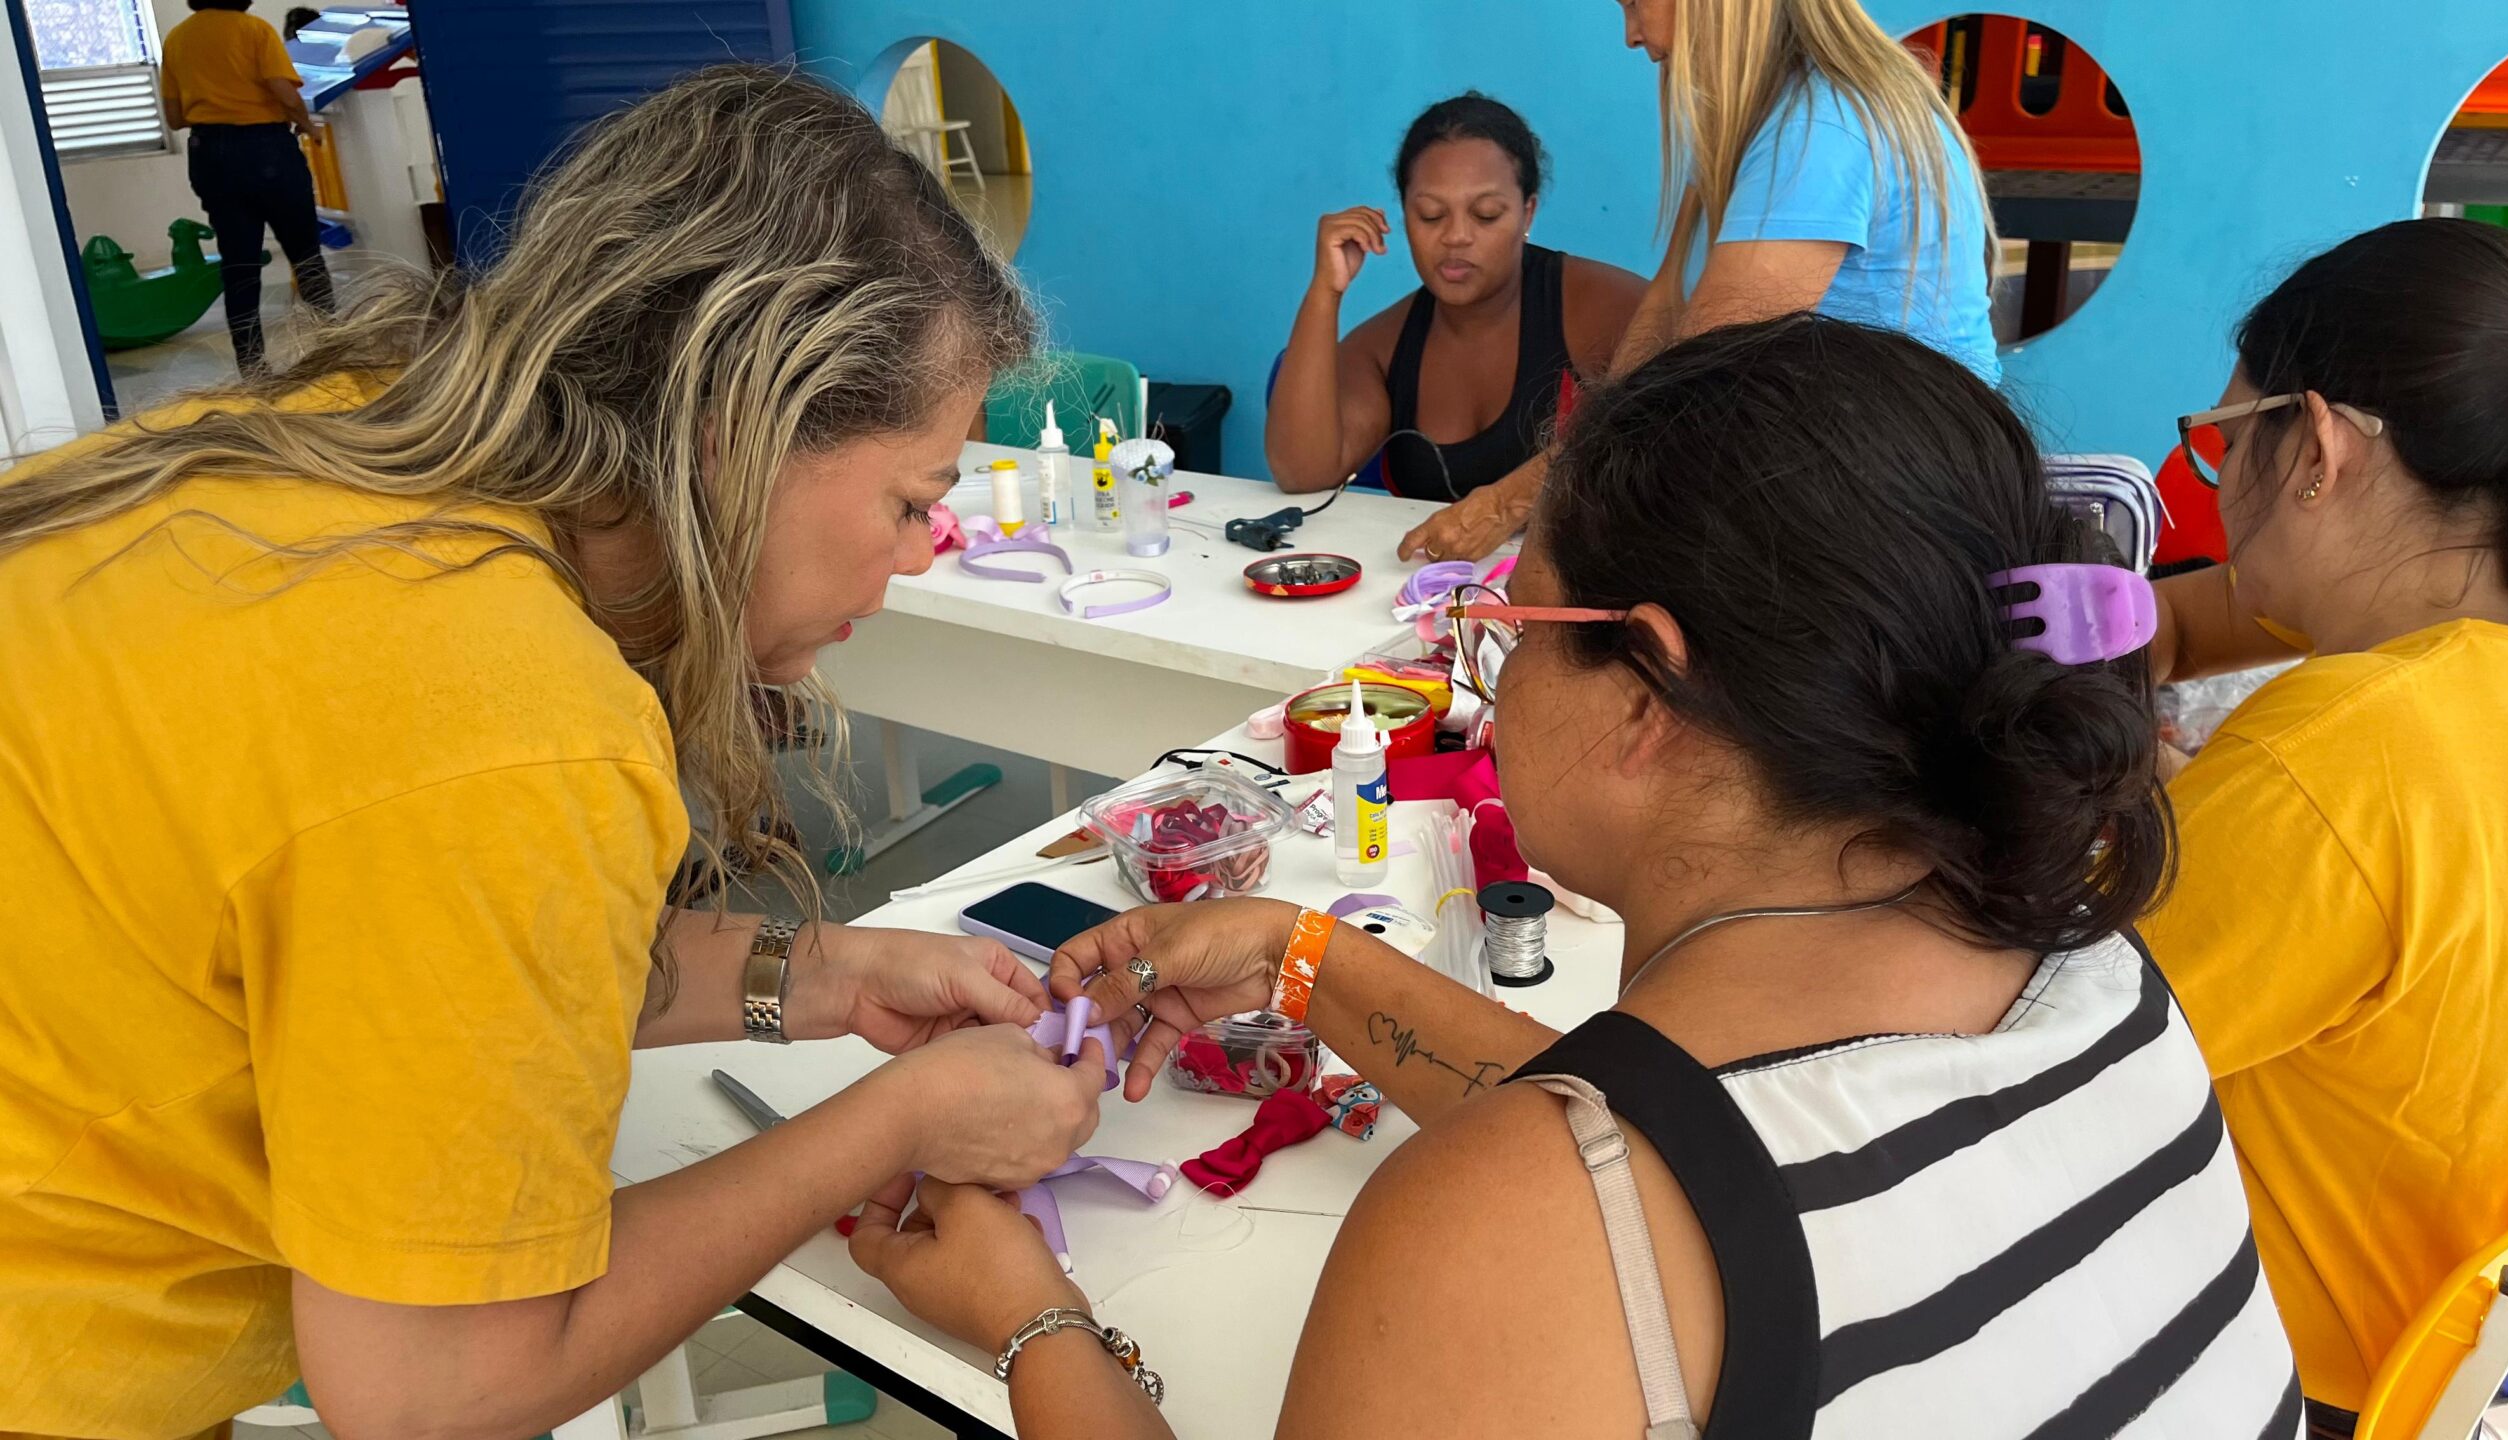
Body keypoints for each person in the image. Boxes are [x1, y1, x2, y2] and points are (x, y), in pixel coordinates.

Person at [850, 317, 2307, 1439]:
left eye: (1518, 625)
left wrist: (1035, 1323)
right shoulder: (2098, 979)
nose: (1490, 672)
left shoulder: (1508, 1226)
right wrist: (1304, 956)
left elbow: (1597, 1191)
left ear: (1646, 691)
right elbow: (1668, 1151)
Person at [0, 68, 1111, 1440]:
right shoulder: (509, 720)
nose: (917, 553)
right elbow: (434, 1393)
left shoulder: (360, 438)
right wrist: (898, 1123)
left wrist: (818, 975)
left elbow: (415, 964)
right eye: (908, 500)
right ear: (738, 435)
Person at [2139, 217, 2508, 1438]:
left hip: (2286, 1387)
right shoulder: (2506, 686)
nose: (2214, 490)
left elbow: (2036, 1054)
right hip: (2481, 1378)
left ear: (2315, 443)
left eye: (2221, 445)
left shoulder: (2350, 748)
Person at [1399, 0, 1997, 564]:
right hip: (1837, 491)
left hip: (1900, 516)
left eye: (1634, 3)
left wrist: (1515, 501)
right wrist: (1548, 488)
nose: (1631, 35)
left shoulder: (1819, 127)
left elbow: (1705, 375)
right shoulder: (1754, 125)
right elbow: (1665, 311)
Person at [1267, 92, 1645, 501]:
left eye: (1485, 214)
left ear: (1528, 213)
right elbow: (1302, 472)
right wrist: (1326, 291)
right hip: (1429, 566)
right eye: (1430, 214)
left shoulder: (1601, 308)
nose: (1455, 236)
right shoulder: (1385, 347)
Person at [159, 0, 338, 376]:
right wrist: (306, 124)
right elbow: (282, 89)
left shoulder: (178, 38)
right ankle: (335, 350)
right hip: (266, 150)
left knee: (239, 266)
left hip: (209, 154)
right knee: (306, 256)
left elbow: (174, 117)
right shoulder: (254, 30)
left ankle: (253, 369)